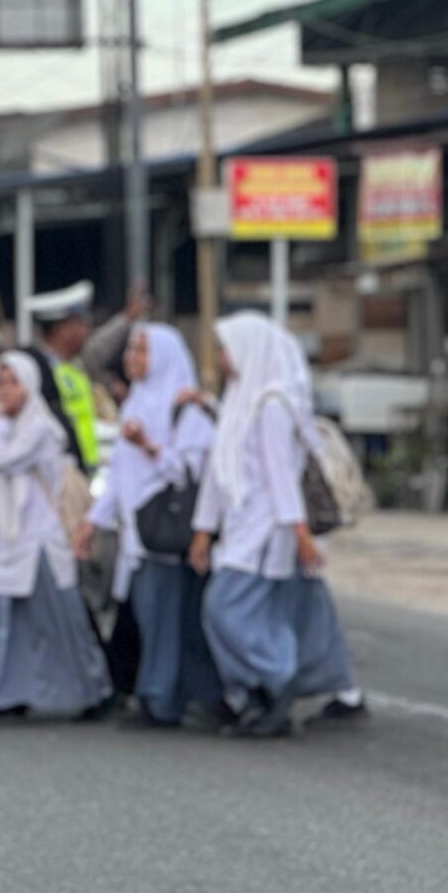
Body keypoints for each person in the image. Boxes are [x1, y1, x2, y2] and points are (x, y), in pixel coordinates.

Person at [189, 312, 360, 739]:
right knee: (294, 609)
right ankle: (262, 695)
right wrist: (203, 530)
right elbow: (218, 469)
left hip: (268, 531)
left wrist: (299, 534)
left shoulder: (271, 407)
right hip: (243, 527)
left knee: (225, 608)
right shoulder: (239, 399)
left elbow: (281, 476)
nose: (222, 359)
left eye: (227, 349)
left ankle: (277, 683)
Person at [0, 351, 112, 727]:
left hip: (41, 542)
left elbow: (4, 460)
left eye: (14, 382)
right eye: (0, 382)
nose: (4, 390)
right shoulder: (0, 426)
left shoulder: (41, 428)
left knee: (63, 621)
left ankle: (93, 690)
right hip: (6, 540)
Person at [76, 323, 220, 729]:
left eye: (141, 351)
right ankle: (157, 695)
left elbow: (194, 470)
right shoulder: (138, 403)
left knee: (166, 622)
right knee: (152, 619)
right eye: (131, 350)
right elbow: (120, 476)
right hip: (139, 535)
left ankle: (162, 700)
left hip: (166, 533)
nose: (131, 359)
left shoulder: (187, 409)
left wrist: (150, 448)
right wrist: (92, 522)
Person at [24, 282, 102, 470]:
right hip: (59, 469)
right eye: (80, 324)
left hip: (84, 465)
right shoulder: (39, 372)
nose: (86, 331)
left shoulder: (73, 368)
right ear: (61, 330)